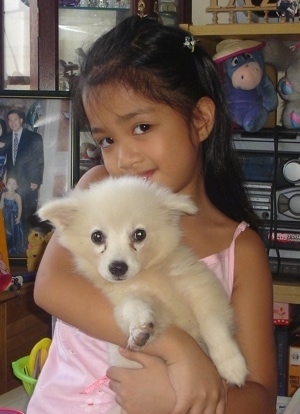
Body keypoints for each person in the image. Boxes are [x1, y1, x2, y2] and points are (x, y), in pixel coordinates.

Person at [29, 16, 277, 414]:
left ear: (200, 120)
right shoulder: (97, 190)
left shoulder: (239, 249)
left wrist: (183, 397)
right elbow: (51, 287)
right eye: (106, 140)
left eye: (142, 126)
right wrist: (178, 349)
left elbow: (261, 399)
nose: (123, 157)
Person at [2, 109, 44, 243]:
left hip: (28, 180)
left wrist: (36, 180)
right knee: (12, 212)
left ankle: (27, 243)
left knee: (26, 211)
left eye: (15, 120)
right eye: (10, 120)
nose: (12, 123)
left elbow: (39, 160)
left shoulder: (33, 137)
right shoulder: (6, 137)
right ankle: (13, 242)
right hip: (11, 182)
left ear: (21, 120)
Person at [0, 176, 24, 256]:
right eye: (9, 183)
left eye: (14, 184)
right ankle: (5, 247)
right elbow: (1, 206)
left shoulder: (17, 196)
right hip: (5, 217)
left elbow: (20, 208)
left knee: (13, 233)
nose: (11, 185)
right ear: (6, 185)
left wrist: (18, 217)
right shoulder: (3, 194)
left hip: (13, 218)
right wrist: (1, 214)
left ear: (17, 186)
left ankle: (12, 248)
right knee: (5, 232)